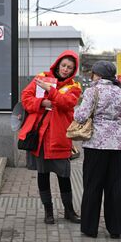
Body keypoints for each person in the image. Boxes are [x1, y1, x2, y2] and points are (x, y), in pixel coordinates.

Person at [74, 61, 121, 239]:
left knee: (92, 185)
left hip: (95, 145)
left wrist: (80, 109)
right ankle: (116, 228)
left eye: (94, 73)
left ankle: (90, 228)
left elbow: (80, 116)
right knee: (114, 186)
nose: (92, 76)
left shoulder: (92, 91)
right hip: (116, 146)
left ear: (98, 75)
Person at [18, 50, 82, 225]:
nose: (65, 69)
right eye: (63, 65)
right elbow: (26, 98)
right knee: (42, 174)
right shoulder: (41, 77)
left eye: (70, 67)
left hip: (59, 137)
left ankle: (69, 211)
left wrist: (50, 92)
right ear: (57, 64)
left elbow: (67, 103)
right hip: (39, 137)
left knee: (64, 176)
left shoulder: (75, 87)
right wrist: (42, 103)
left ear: (73, 70)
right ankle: (48, 212)